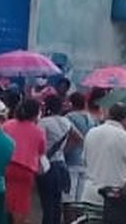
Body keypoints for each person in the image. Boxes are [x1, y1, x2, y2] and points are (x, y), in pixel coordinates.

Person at [81, 102, 126, 205]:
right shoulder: (125, 137)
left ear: (108, 114)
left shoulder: (91, 133)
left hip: (90, 193)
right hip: (113, 195)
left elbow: (84, 160)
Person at [38, 94, 82, 224]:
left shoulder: (43, 122)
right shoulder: (66, 121)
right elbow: (79, 138)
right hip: (62, 165)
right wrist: (64, 150)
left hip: (47, 165)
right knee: (57, 202)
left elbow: (39, 142)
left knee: (47, 203)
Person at [3, 99, 46, 224]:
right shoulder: (38, 131)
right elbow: (41, 151)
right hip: (26, 170)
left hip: (6, 167)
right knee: (21, 203)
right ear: (36, 114)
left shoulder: (8, 125)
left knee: (6, 199)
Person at [65, 92, 99, 203]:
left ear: (71, 103)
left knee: (69, 196)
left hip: (71, 159)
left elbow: (68, 136)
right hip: (86, 160)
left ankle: (69, 220)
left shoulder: (69, 117)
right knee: (80, 198)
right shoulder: (92, 119)